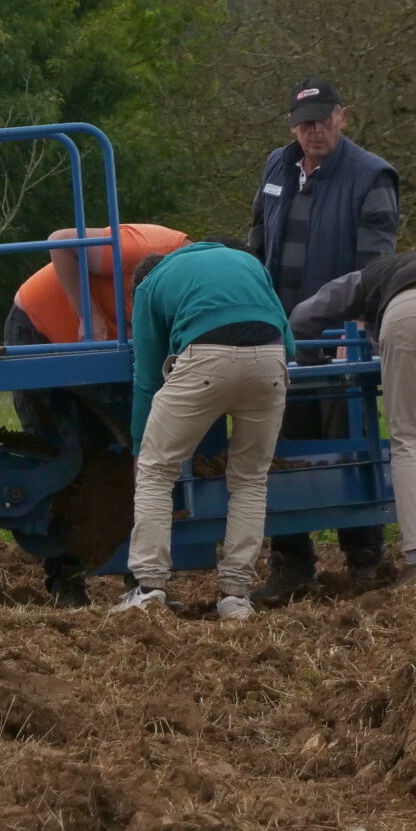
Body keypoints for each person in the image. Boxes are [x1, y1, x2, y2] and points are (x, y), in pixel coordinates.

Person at [245, 77, 401, 602]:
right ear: (292, 125)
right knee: (280, 445)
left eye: (322, 119)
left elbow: (376, 263)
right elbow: (257, 241)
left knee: (349, 444)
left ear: (343, 117)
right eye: (304, 122)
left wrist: (356, 326)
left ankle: (364, 563)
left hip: (338, 335)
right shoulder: (276, 166)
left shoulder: (370, 175)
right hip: (281, 333)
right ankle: (291, 565)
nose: (313, 130)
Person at [4, 223, 193, 603]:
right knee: (64, 455)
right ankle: (65, 580)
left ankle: (140, 580)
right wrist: (89, 316)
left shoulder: (194, 288)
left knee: (133, 455)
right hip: (42, 329)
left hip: (111, 357)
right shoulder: (145, 248)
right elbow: (60, 241)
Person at [116, 239, 294, 621]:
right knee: (249, 480)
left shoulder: (150, 287)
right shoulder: (247, 263)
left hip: (204, 358)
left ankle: (148, 588)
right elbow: (289, 344)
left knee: (156, 470)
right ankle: (236, 597)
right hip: (270, 360)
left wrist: (137, 444)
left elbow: (147, 377)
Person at [290, 250, 416, 590]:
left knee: (407, 441)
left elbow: (304, 317)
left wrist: (308, 361)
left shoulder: (363, 278)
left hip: (412, 311)